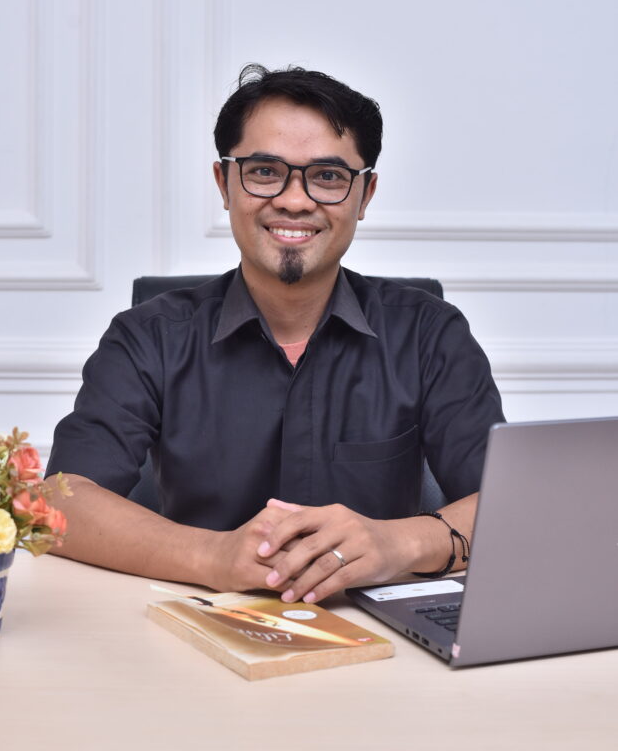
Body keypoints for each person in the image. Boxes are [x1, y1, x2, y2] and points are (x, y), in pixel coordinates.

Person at [45, 65, 504, 604]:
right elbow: (63, 501)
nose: (294, 200)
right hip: (195, 622)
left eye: (328, 176)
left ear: (365, 195)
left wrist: (394, 543)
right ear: (224, 183)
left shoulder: (430, 334)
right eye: (264, 171)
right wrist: (213, 556)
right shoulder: (148, 337)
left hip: (382, 633)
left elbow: (507, 506)